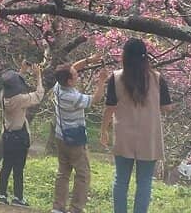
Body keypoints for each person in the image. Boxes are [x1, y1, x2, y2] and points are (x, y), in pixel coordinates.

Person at [100, 38, 173, 213]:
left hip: (124, 135)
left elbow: (110, 108)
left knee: (121, 180)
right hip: (149, 136)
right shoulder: (157, 79)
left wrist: (103, 130)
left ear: (124, 56)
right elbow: (167, 108)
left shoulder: (116, 78)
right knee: (145, 181)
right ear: (145, 57)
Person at [50, 54, 108, 213]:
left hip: (60, 136)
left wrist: (89, 60)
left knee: (63, 172)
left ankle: (58, 207)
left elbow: (74, 67)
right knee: (83, 174)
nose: (77, 74)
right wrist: (102, 81)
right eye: (74, 76)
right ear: (69, 81)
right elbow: (95, 99)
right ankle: (76, 209)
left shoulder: (57, 87)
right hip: (75, 140)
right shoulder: (72, 97)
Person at [0, 61, 46, 208]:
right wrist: (38, 76)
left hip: (7, 136)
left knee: (6, 166)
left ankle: (1, 195)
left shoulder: (3, 96)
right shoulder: (20, 99)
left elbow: (13, 84)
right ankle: (18, 197)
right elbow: (38, 95)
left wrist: (22, 71)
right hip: (19, 137)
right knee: (18, 168)